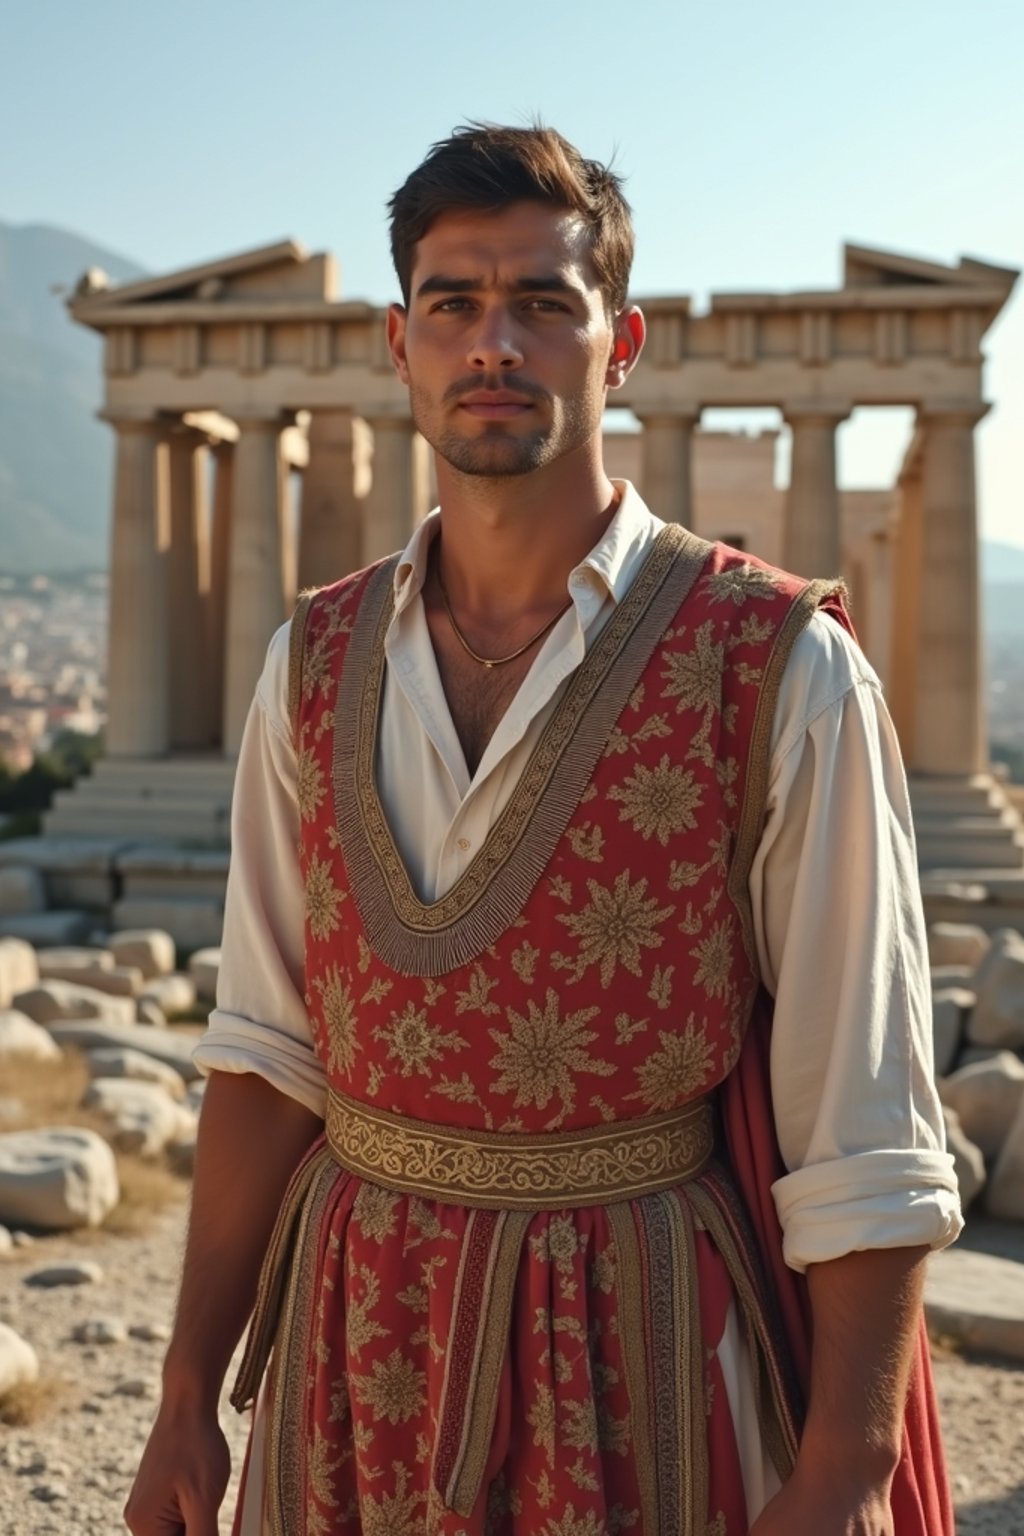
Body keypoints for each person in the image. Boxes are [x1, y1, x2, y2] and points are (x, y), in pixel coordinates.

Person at [125, 124, 963, 1536]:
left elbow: (864, 1122)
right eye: (454, 303)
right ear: (399, 343)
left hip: (643, 1345)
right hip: (350, 1344)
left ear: (619, 343)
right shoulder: (310, 662)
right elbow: (268, 1054)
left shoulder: (780, 667)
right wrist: (182, 1392)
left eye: (543, 305)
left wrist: (842, 1472)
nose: (493, 344)